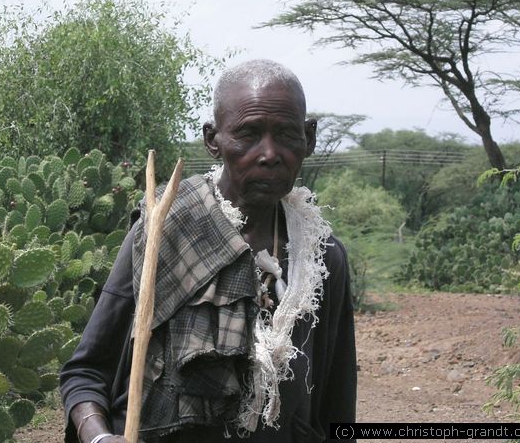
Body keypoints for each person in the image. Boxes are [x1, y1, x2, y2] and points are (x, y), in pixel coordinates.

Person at [60, 59, 357, 443]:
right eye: (248, 134)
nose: (269, 153)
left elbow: (336, 402)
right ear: (212, 140)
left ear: (309, 138)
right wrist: (99, 437)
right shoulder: (163, 229)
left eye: (286, 134)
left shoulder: (320, 258)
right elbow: (85, 375)